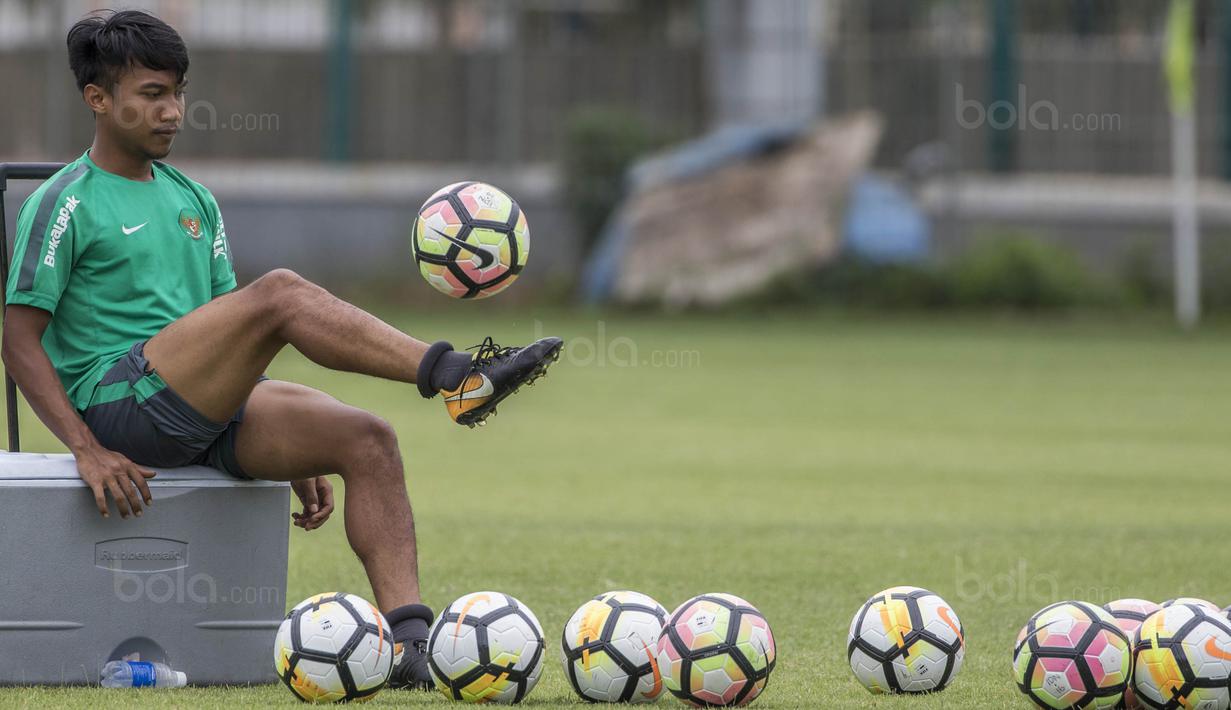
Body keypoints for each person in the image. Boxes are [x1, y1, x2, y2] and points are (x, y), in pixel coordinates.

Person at [0, 9, 562, 690]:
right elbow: (18, 338)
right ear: (98, 99)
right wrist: (86, 449)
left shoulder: (195, 202)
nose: (172, 111)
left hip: (200, 405)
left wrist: (286, 438)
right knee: (282, 295)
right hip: (119, 406)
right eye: (152, 95)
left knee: (367, 439)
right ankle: (454, 374)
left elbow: (227, 336)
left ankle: (412, 650)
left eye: (178, 92)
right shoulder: (63, 202)